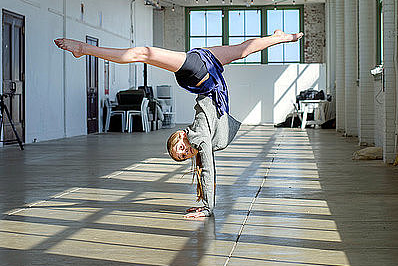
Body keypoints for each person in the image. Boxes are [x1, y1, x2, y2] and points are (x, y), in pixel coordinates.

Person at [54, 29, 303, 219]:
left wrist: (208, 207)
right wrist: (205, 202)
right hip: (209, 70)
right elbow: (205, 169)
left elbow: (208, 171)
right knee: (243, 50)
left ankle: (83, 48)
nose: (185, 152)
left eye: (180, 149)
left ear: (182, 137)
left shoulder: (197, 138)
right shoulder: (201, 143)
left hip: (198, 74)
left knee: (144, 53)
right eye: (183, 156)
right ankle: (278, 37)